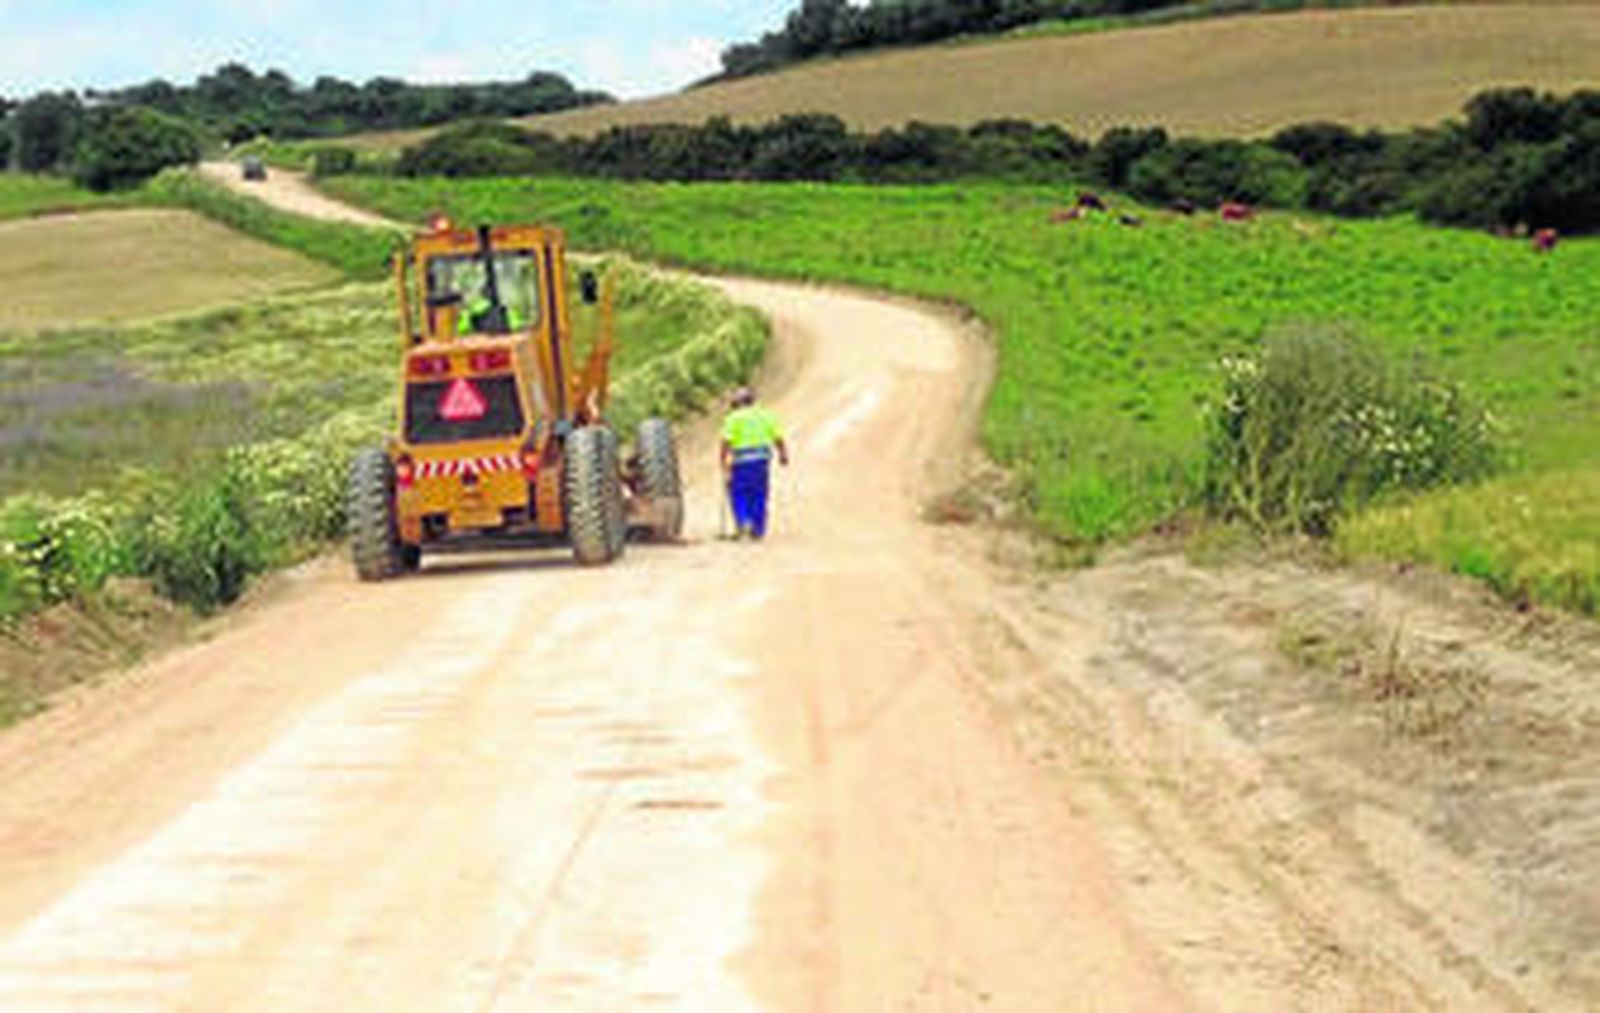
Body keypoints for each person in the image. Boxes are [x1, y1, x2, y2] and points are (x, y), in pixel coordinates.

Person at [720, 387, 788, 540]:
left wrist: (723, 460)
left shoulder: (733, 418)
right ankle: (758, 529)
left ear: (738, 403)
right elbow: (778, 438)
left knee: (739, 492)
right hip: (761, 461)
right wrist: (783, 455)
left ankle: (743, 522)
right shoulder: (766, 415)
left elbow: (726, 441)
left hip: (741, 461)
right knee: (760, 494)